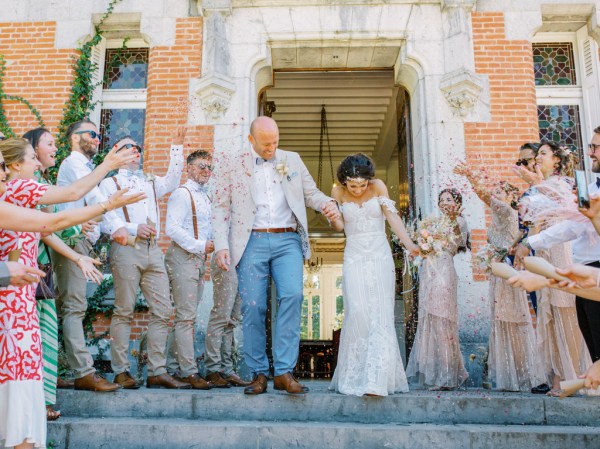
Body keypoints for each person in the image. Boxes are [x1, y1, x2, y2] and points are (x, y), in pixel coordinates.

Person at [0, 140, 144, 449]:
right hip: (12, 307)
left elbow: (46, 230)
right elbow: (67, 201)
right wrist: (106, 176)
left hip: (19, 302)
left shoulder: (9, 195)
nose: (38, 164)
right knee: (19, 391)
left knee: (20, 388)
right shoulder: (17, 190)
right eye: (31, 160)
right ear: (13, 167)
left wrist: (78, 255)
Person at [212, 116, 340, 395]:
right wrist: (221, 244)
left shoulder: (289, 160)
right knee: (253, 306)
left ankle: (283, 371)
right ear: (251, 140)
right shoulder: (233, 164)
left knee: (293, 296)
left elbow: (310, 193)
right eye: (266, 144)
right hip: (251, 241)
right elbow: (220, 207)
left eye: (275, 142)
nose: (272, 148)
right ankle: (258, 373)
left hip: (287, 240)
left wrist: (328, 204)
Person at [53, 119, 138, 392]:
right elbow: (94, 196)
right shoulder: (74, 163)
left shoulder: (86, 166)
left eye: (99, 134)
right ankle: (83, 372)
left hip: (82, 242)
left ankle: (62, 369)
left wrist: (110, 228)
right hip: (72, 242)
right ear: (75, 137)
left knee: (70, 307)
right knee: (74, 308)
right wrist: (117, 227)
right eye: (92, 133)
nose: (98, 138)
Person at [98, 130, 186, 389]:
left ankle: (157, 370)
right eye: (127, 148)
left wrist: (177, 147)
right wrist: (135, 228)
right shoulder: (108, 184)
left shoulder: (148, 180)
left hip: (153, 250)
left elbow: (171, 181)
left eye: (136, 148)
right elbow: (106, 220)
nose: (134, 152)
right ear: (116, 153)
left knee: (164, 309)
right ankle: (121, 371)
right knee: (124, 310)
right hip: (127, 249)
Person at [327, 154, 417, 396]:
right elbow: (338, 228)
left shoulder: (378, 187)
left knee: (380, 312)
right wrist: (332, 216)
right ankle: (354, 375)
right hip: (354, 254)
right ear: (344, 182)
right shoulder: (337, 192)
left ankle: (377, 379)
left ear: (370, 180)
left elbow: (392, 218)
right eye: (352, 186)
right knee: (356, 310)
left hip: (379, 254)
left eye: (362, 185)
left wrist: (410, 245)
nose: (357, 190)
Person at [454, 163, 544, 391]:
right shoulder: (503, 215)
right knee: (503, 320)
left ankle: (519, 375)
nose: (495, 195)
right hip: (500, 271)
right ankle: (512, 374)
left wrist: (471, 176)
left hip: (506, 273)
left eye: (500, 192)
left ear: (511, 196)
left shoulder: (506, 211)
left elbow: (484, 196)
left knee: (510, 319)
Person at [514, 127, 600, 364]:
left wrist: (539, 184)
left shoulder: (566, 184)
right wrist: (529, 241)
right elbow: (570, 224)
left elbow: (566, 219)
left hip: (582, 263)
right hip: (578, 264)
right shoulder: (591, 189)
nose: (590, 152)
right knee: (590, 334)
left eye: (595, 147)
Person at [406, 188, 470, 390]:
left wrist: (453, 218)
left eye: (449, 199)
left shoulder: (459, 221)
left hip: (444, 274)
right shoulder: (434, 223)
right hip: (429, 273)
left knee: (443, 321)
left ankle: (448, 377)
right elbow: (426, 248)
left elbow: (459, 241)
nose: (444, 203)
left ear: (457, 202)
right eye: (442, 200)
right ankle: (435, 375)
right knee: (432, 321)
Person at [164, 150, 214, 389]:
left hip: (198, 259)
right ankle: (189, 371)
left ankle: (172, 366)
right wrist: (200, 245)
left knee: (187, 316)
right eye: (202, 166)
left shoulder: (206, 197)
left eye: (209, 167)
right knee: (186, 317)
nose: (206, 171)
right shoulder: (182, 194)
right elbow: (171, 229)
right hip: (183, 257)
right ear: (190, 168)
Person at [204, 262, 248, 387]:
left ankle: (226, 370)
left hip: (243, 264)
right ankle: (212, 369)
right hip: (226, 260)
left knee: (232, 320)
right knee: (220, 316)